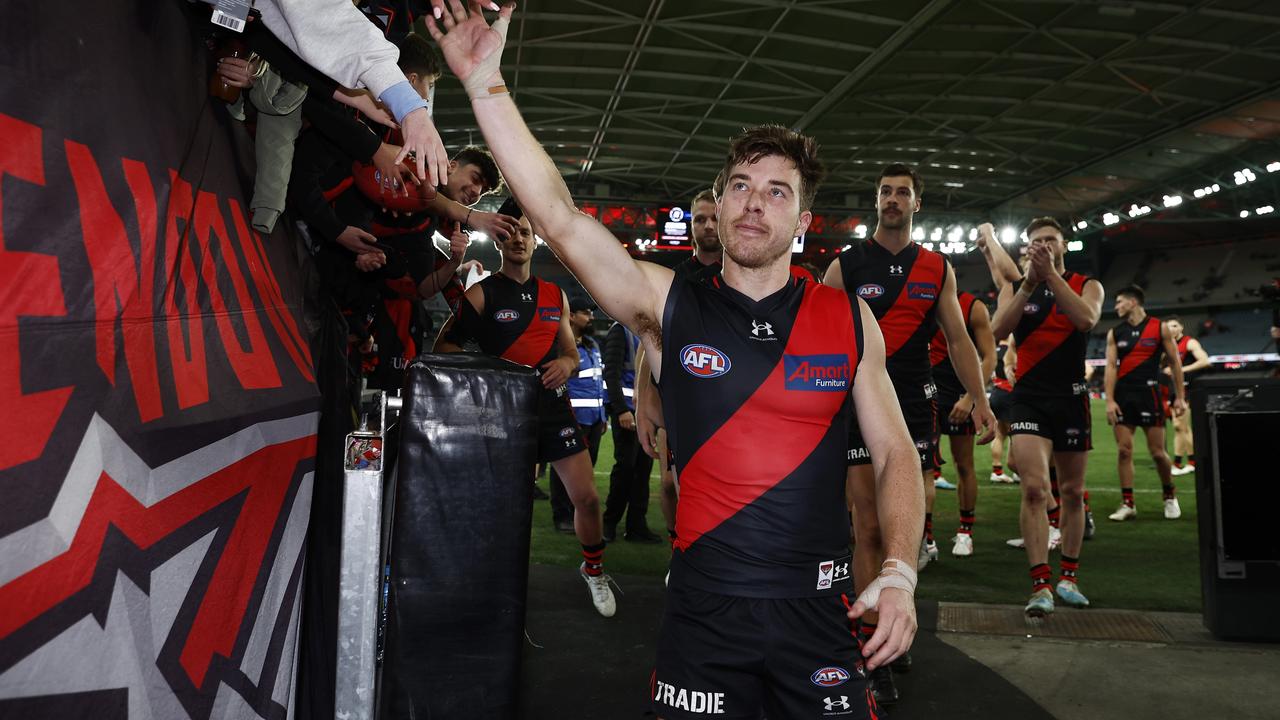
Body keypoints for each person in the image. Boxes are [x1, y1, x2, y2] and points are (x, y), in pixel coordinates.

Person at [426, 8, 922, 717]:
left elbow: (897, 454)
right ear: (717, 205)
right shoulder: (669, 303)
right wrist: (484, 86)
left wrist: (900, 568)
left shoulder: (847, 318)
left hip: (819, 615)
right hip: (704, 616)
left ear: (803, 223)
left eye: (778, 192)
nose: (756, 204)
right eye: (742, 186)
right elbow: (561, 219)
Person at [822, 163, 996, 704]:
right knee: (868, 528)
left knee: (908, 534)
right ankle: (874, 647)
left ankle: (892, 621)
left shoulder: (936, 268)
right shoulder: (845, 266)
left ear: (916, 203)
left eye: (902, 193)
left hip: (915, 413)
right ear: (876, 201)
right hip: (857, 408)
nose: (892, 200)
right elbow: (820, 336)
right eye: (885, 192)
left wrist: (983, 401)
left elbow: (960, 340)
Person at [434, 214, 617, 618]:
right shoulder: (482, 294)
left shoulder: (556, 295)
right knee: (497, 508)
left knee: (586, 499)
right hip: (500, 414)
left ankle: (595, 570)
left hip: (553, 410)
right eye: (510, 231)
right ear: (498, 240)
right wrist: (490, 371)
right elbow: (443, 345)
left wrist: (568, 366)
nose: (518, 237)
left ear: (536, 242)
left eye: (526, 231)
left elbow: (570, 351)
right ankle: (486, 580)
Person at [990, 217, 1104, 619]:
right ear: (1026, 248)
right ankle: (1040, 583)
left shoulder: (1087, 283)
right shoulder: (1019, 287)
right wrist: (1026, 285)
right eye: (1036, 241)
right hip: (1029, 400)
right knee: (1035, 489)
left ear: (1063, 244)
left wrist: (1052, 276)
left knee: (1072, 492)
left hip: (1071, 399)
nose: (1042, 246)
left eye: (1050, 240)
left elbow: (1085, 320)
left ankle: (1068, 577)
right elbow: (997, 328)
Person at [1103, 287, 1188, 521]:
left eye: (1119, 302)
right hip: (1123, 396)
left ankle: (1169, 496)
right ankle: (1128, 503)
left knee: (1159, 454)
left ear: (1133, 302)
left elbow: (1175, 363)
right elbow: (1111, 367)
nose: (1116, 306)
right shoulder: (1114, 333)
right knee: (1123, 451)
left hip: (1150, 395)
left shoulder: (1159, 327)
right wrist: (1109, 399)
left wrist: (1180, 396)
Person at [928, 291, 996, 557]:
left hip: (959, 396)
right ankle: (926, 538)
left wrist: (972, 397)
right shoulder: (918, 300)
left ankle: (965, 532)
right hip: (925, 395)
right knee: (921, 468)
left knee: (964, 465)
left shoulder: (973, 306)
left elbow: (990, 357)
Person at [548, 296, 609, 534]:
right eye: (586, 313)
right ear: (571, 316)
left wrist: (603, 415)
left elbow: (598, 382)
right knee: (563, 470)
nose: (591, 317)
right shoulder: (561, 348)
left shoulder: (592, 345)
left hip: (594, 419)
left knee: (586, 471)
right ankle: (561, 515)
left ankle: (575, 515)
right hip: (571, 418)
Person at [602, 320, 661, 543]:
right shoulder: (620, 330)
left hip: (646, 414)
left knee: (642, 471)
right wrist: (621, 410)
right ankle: (609, 522)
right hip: (628, 413)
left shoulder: (648, 332)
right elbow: (612, 372)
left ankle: (636, 526)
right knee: (625, 468)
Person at [1164, 316, 1210, 476]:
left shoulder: (1190, 342)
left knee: (1180, 426)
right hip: (1173, 389)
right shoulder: (1167, 345)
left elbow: (1205, 360)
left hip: (1187, 389)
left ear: (1181, 328)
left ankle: (1181, 463)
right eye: (1168, 327)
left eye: (1175, 325)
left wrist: (1181, 370)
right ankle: (1188, 462)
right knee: (1182, 427)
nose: (1172, 329)